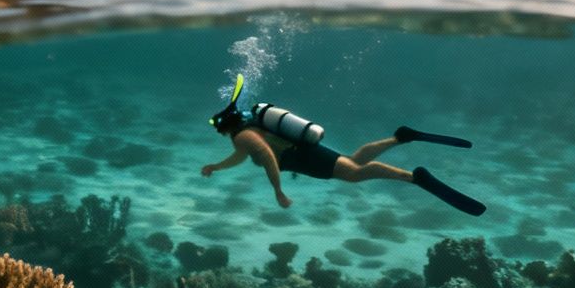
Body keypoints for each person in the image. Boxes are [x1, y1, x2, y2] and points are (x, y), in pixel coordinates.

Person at [200, 76, 485, 215]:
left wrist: (278, 190)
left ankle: (413, 178)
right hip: (306, 154)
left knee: (354, 173)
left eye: (218, 128)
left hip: (305, 158)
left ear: (227, 125)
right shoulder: (247, 133)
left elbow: (267, 157)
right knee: (353, 161)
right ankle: (401, 137)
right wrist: (217, 167)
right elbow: (240, 156)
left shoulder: (245, 136)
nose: (218, 133)